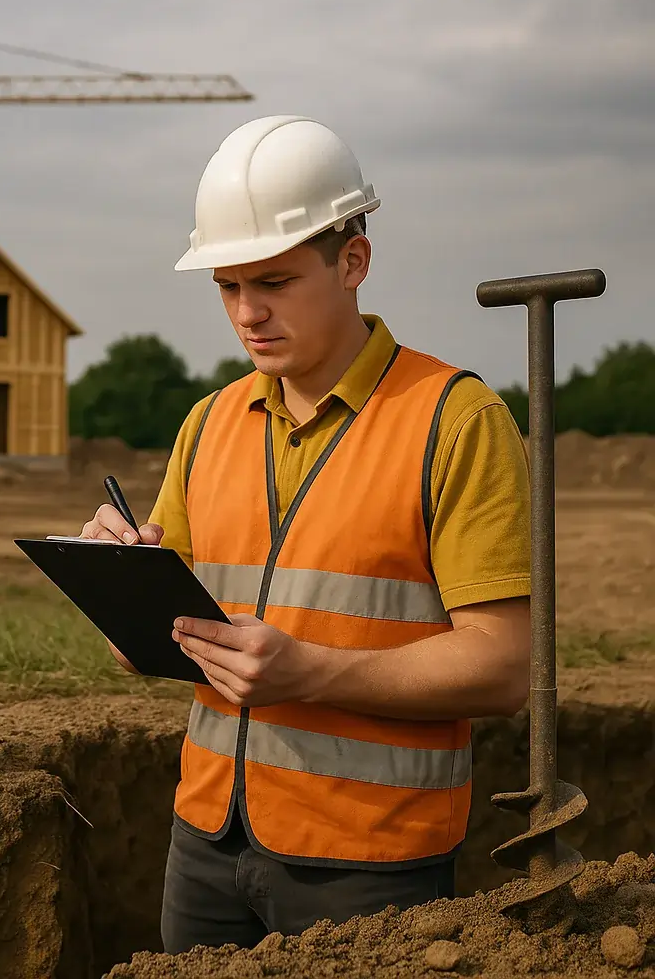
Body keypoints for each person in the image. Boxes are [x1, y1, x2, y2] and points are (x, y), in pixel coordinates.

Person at [79, 115, 531, 953]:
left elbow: (502, 670)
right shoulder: (208, 424)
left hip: (373, 860)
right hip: (206, 843)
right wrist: (123, 584)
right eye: (227, 286)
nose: (248, 313)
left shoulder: (455, 422)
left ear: (352, 262)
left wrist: (308, 671)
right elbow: (151, 648)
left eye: (275, 282)